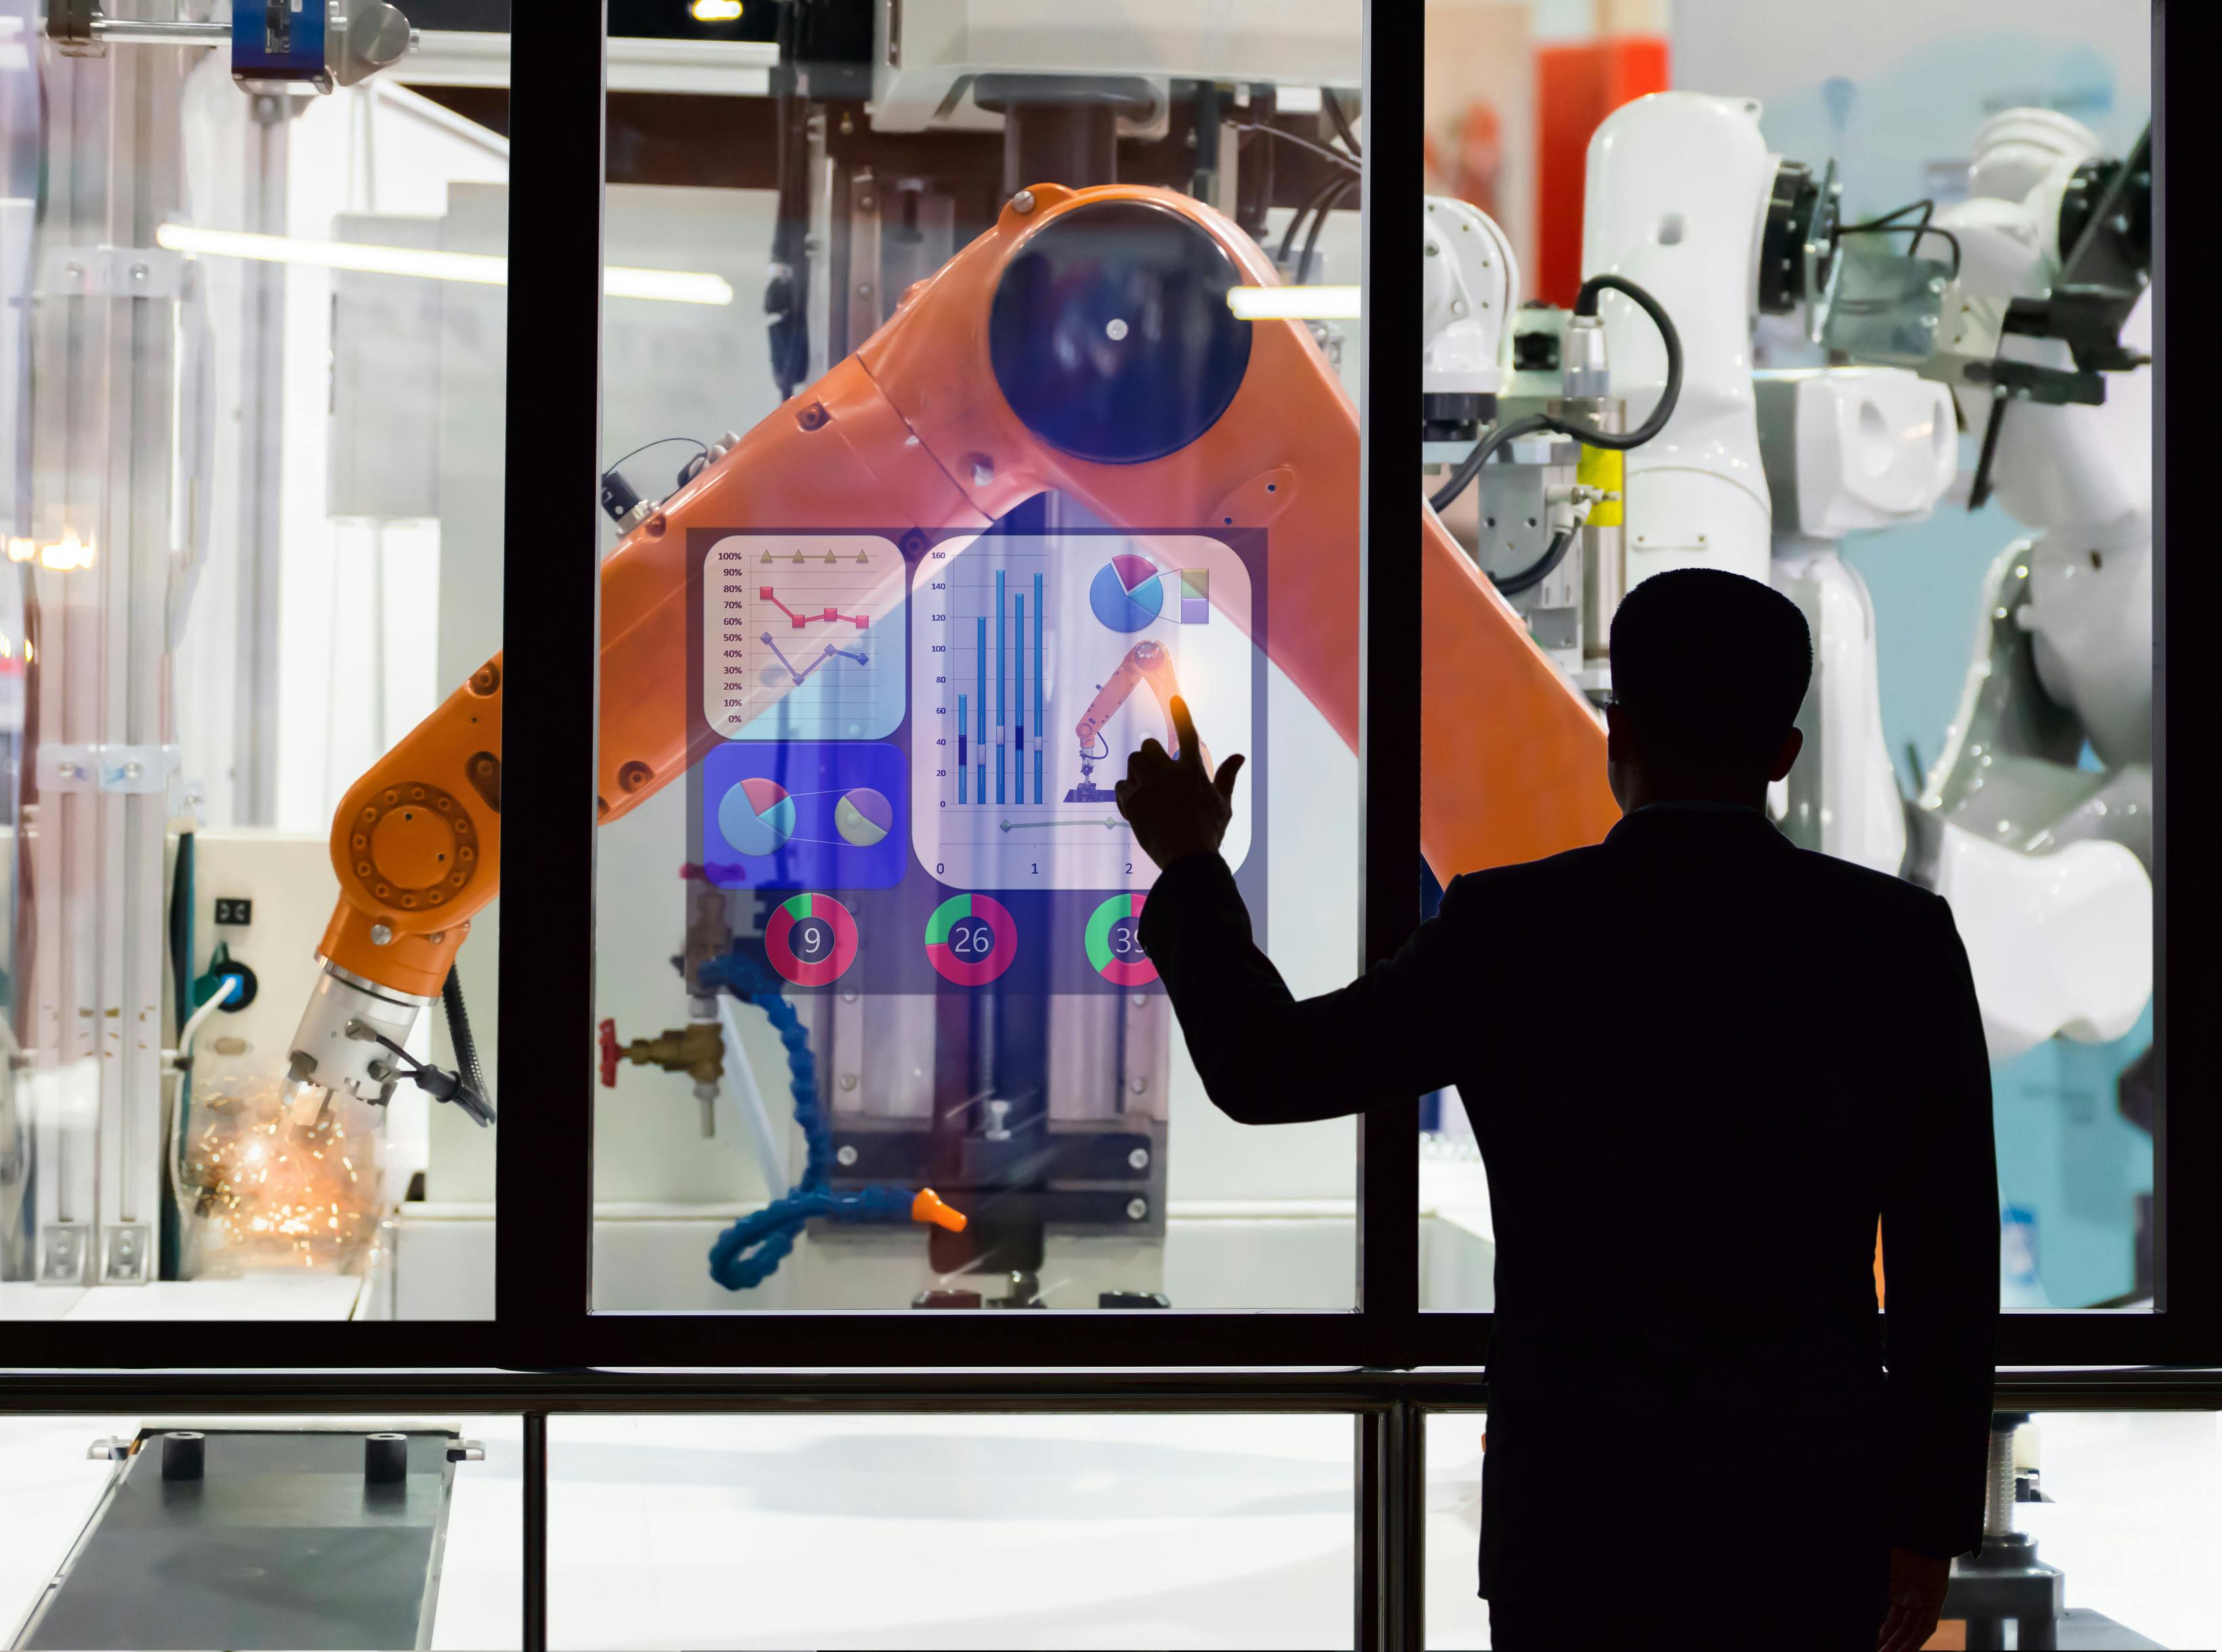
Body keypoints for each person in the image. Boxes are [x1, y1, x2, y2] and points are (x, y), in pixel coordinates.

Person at [1117, 569, 1998, 1652]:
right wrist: (1927, 1522)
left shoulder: (1514, 930)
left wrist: (1196, 865)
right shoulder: (1896, 945)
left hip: (1580, 1520)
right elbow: (1946, 1268)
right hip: (1803, 1520)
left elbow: (1266, 1068)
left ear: (1615, 731)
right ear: (1783, 755)